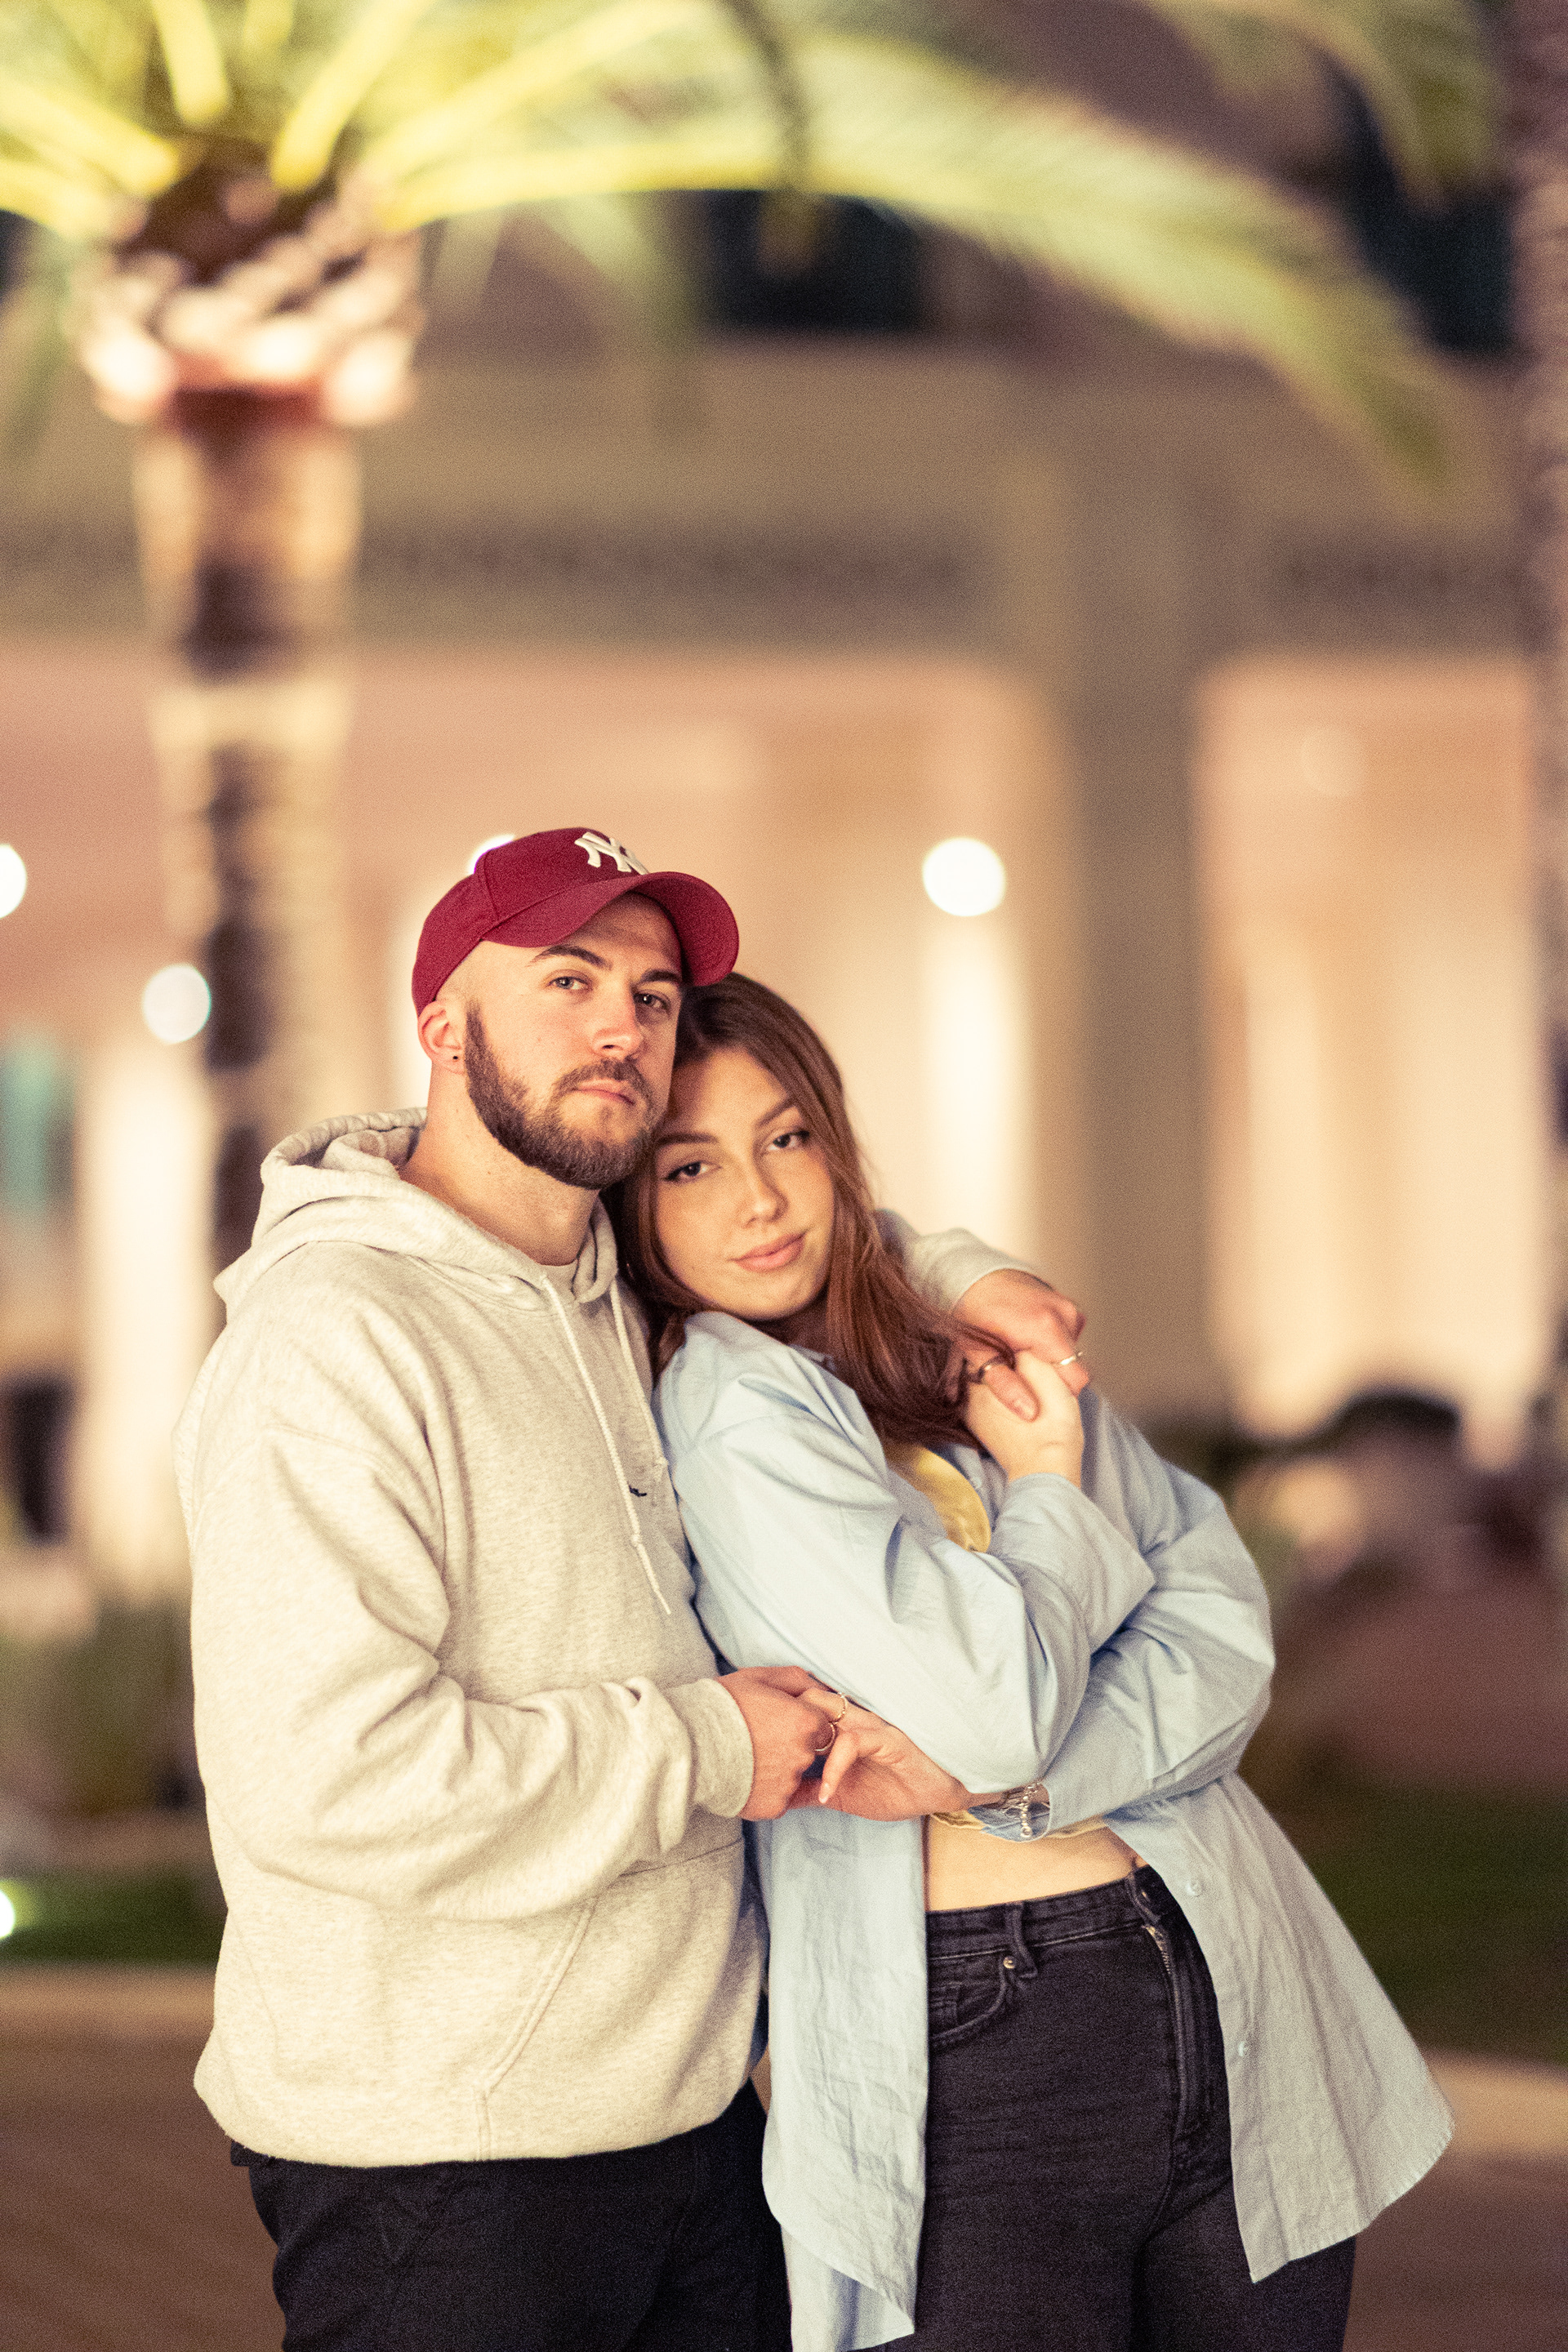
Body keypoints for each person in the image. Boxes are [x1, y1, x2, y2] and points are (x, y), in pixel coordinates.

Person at [176, 826, 1080, 2352]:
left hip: (692, 2122)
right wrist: (713, 1746)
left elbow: (792, 1217)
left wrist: (958, 1272)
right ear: (441, 1023)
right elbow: (326, 1780)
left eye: (653, 997)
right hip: (442, 2157)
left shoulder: (614, 1274)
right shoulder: (331, 1338)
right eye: (569, 979)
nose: (623, 1029)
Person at [611, 972, 1454, 2352]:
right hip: (980, 2035)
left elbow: (1222, 1632)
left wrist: (1015, 1790)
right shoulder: (730, 1415)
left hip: (1222, 1960)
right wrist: (1051, 1487)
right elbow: (990, 1705)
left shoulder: (960, 1347)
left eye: (787, 1138)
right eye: (689, 1166)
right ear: (633, 1203)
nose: (758, 1200)